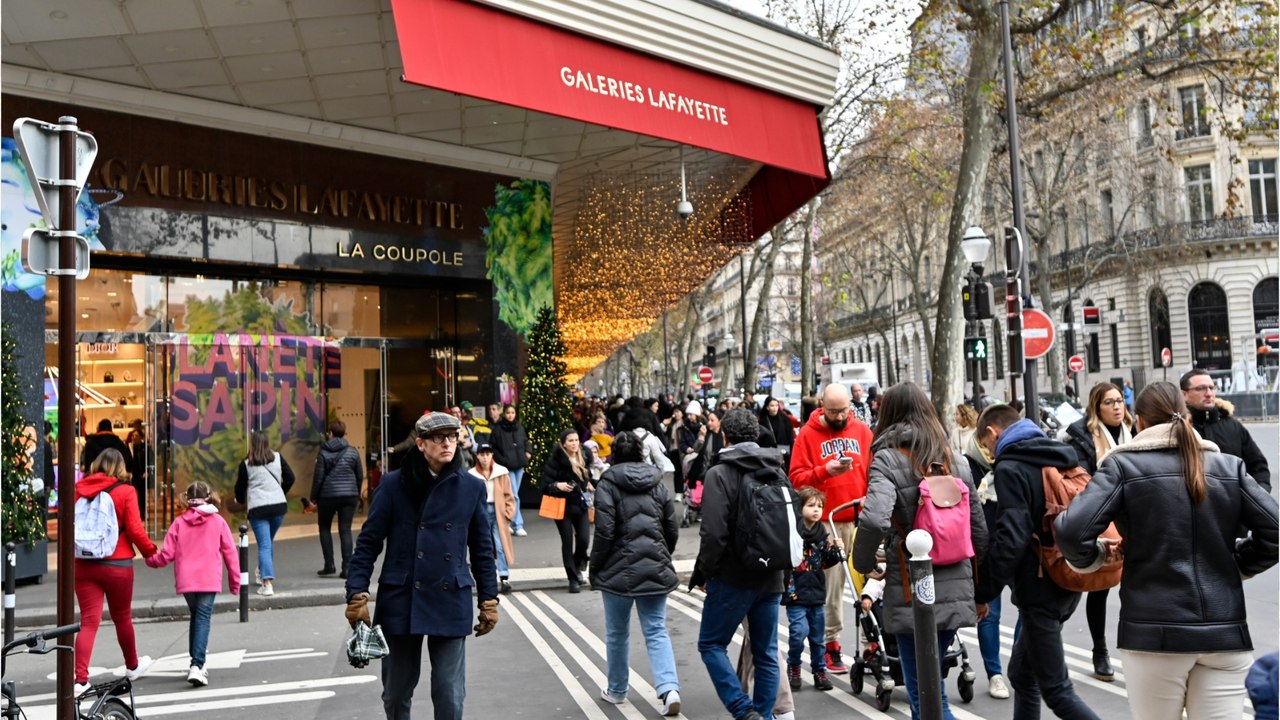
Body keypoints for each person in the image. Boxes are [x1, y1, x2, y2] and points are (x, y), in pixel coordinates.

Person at [1055, 382, 1279, 720]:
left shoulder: (1123, 468)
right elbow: (1274, 530)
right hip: (1224, 632)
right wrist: (1237, 565)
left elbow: (1071, 530)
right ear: (1185, 415)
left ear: (1140, 422)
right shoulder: (1228, 467)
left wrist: (1099, 556)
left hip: (1153, 634)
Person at [344, 411, 499, 720]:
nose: (447, 443)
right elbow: (369, 543)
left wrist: (489, 599)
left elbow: (482, 549)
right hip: (401, 598)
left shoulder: (471, 488)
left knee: (449, 695)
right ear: (420, 444)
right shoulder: (392, 486)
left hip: (450, 596)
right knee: (396, 693)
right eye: (439, 438)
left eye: (452, 437)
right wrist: (357, 592)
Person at [851, 382, 987, 720]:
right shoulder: (954, 458)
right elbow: (980, 531)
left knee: (925, 698)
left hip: (912, 584)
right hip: (956, 577)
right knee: (931, 688)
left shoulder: (887, 457)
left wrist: (864, 562)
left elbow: (873, 520)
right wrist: (981, 589)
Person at [973, 404, 1102, 720]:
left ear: (994, 432)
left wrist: (983, 591)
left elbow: (1011, 538)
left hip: (1040, 589)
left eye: (987, 445)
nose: (990, 453)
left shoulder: (1011, 467)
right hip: (1067, 576)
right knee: (1022, 675)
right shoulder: (1059, 454)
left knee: (1057, 691)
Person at [690, 408, 785, 720]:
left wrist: (705, 572)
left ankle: (744, 711)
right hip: (771, 572)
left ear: (725, 436)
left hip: (733, 575)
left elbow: (713, 532)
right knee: (766, 652)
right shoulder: (776, 468)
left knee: (711, 644)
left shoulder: (720, 473)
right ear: (755, 435)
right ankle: (764, 715)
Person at [589, 431, 683, 716]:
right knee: (656, 630)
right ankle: (669, 689)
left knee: (617, 633)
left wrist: (596, 568)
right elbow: (672, 526)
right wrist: (663, 552)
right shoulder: (657, 481)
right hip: (654, 564)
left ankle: (617, 690)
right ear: (642, 452)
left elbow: (604, 531)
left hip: (616, 569)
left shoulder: (608, 483)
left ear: (614, 454)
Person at [788, 382, 873, 675]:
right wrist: (825, 471)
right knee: (831, 586)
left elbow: (873, 469)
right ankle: (830, 643)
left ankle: (869, 642)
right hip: (827, 521)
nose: (840, 417)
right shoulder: (807, 435)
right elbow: (797, 479)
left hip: (860, 517)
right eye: (834, 411)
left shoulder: (862, 430)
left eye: (844, 410)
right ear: (823, 407)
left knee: (869, 583)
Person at [1061, 381, 1133, 681]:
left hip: (1134, 516)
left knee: (1135, 586)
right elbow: (1081, 481)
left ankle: (1133, 650)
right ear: (1096, 407)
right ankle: (1099, 650)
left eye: (1119, 401)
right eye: (1109, 402)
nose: (1117, 407)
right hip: (1103, 516)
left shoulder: (1135, 432)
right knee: (1100, 587)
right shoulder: (1082, 438)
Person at [73, 448, 158, 694]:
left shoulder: (78, 490)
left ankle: (80, 679)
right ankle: (132, 665)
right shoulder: (125, 491)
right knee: (122, 617)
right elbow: (134, 529)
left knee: (89, 621)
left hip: (83, 562)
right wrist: (151, 552)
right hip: (117, 563)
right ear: (121, 467)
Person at [145, 481, 240, 687]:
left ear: (187, 499)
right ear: (209, 497)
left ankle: (196, 661)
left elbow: (167, 554)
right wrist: (235, 582)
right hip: (208, 578)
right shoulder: (218, 521)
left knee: (197, 616)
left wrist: (151, 560)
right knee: (203, 618)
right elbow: (230, 553)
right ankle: (197, 665)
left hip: (187, 580)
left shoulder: (179, 523)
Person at [962, 423, 1010, 700]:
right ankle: (995, 674)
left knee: (1031, 610)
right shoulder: (967, 465)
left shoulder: (1012, 459)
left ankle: (1019, 667)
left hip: (1018, 545)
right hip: (985, 550)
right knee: (989, 613)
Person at [783, 486, 844, 692]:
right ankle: (794, 666)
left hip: (816, 593)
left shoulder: (821, 534)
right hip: (796, 593)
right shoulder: (792, 533)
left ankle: (819, 670)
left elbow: (827, 561)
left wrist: (837, 549)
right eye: (811, 506)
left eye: (820, 507)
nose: (816, 510)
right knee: (798, 633)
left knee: (818, 639)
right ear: (799, 508)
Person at [1181, 369, 1271, 491]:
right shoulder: (1179, 429)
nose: (1208, 393)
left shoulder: (1233, 425)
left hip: (1235, 505)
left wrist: (1260, 494)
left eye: (1211, 388)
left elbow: (1258, 465)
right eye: (1200, 388)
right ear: (1184, 394)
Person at [235, 431, 295, 596]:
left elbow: (239, 488)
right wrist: (280, 492)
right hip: (278, 507)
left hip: (258, 508)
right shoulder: (277, 457)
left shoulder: (246, 464)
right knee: (267, 542)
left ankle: (267, 583)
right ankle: (262, 571)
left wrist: (239, 500)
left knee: (264, 545)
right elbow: (291, 477)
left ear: (252, 444)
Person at [541, 429, 597, 593]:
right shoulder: (556, 460)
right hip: (562, 505)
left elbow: (588, 478)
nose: (574, 443)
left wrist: (589, 484)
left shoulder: (584, 456)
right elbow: (545, 485)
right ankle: (573, 578)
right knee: (567, 542)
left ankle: (577, 564)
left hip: (580, 504)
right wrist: (557, 485)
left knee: (584, 540)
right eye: (571, 440)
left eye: (576, 440)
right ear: (564, 443)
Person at [313, 420, 364, 578]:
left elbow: (318, 477)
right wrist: (355, 492)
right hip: (349, 496)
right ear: (344, 433)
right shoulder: (353, 452)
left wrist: (313, 497)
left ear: (331, 433)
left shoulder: (323, 452)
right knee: (345, 530)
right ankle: (347, 568)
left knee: (325, 528)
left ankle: (329, 565)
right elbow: (359, 475)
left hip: (327, 496)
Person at [467, 443, 514, 594]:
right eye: (482, 454)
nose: (485, 458)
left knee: (500, 545)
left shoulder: (501, 472)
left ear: (492, 455)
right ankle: (488, 577)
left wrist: (508, 513)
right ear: (477, 456)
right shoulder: (472, 474)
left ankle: (504, 576)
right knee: (484, 545)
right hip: (481, 511)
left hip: (498, 511)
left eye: (488, 454)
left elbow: (509, 495)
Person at [490, 404, 532, 536]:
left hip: (519, 465)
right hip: (506, 466)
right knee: (514, 495)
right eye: (508, 413)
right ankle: (517, 524)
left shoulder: (519, 427)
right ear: (504, 414)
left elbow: (525, 441)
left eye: (512, 413)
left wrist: (528, 452)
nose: (510, 415)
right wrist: (502, 460)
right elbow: (493, 447)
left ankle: (508, 521)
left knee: (512, 494)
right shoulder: (498, 429)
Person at [757, 396, 796, 468]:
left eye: (776, 405)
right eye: (772, 405)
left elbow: (790, 437)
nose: (775, 408)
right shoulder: (762, 421)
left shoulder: (785, 419)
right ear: (767, 407)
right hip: (768, 452)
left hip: (784, 451)